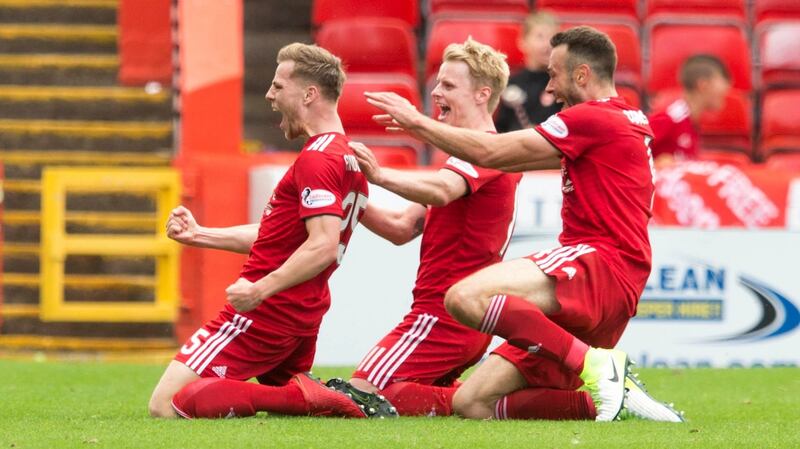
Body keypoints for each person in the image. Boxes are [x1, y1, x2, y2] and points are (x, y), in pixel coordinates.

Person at [363, 26, 685, 422]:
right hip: (616, 278)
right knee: (473, 403)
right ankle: (619, 404)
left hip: (598, 262)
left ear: (581, 75)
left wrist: (416, 124)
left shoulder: (593, 118)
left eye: (554, 75)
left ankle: (598, 365)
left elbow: (492, 151)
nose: (549, 89)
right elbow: (501, 158)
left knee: (463, 298)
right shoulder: (624, 121)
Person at [148, 43, 381, 419]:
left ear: (309, 94)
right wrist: (200, 235)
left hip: (268, 313)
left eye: (278, 86)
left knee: (166, 406)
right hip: (301, 311)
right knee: (289, 413)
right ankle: (305, 397)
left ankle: (310, 396)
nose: (270, 96)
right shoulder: (347, 158)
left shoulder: (318, 159)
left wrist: (259, 290)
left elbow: (322, 246)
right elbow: (281, 236)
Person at [335, 38, 521, 417]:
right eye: (438, 84)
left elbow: (440, 191)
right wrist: (353, 195)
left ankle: (512, 404)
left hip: (442, 318)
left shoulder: (484, 151)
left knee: (353, 400)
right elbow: (402, 228)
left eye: (449, 86)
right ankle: (482, 401)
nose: (435, 92)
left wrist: (378, 174)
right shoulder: (468, 157)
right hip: (454, 317)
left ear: (483, 94)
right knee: (393, 400)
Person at [649, 54, 732, 165]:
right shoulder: (671, 119)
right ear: (703, 85)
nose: (727, 89)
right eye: (723, 81)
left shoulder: (691, 121)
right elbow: (630, 151)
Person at [495, 11, 562, 132]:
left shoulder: (564, 83)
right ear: (522, 42)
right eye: (540, 37)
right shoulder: (510, 83)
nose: (547, 45)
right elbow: (501, 128)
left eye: (553, 38)